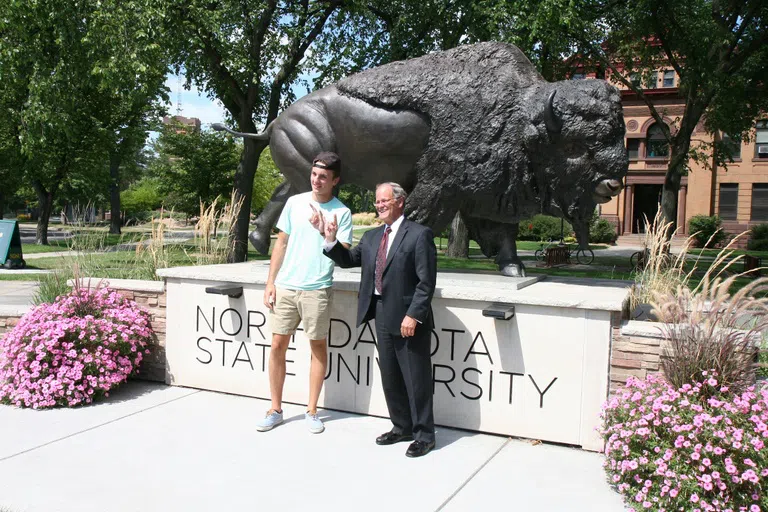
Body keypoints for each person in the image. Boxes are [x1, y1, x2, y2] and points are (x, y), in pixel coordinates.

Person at [318, 182, 438, 457]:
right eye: (377, 202)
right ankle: (401, 427)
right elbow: (348, 259)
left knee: (416, 377)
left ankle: (424, 435)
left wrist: (414, 316)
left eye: (384, 201)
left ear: (399, 202)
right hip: (380, 312)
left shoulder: (420, 235)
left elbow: (426, 282)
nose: (379, 205)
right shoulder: (372, 237)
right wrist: (330, 239)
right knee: (390, 376)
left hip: (408, 317)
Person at [256, 151, 353, 434]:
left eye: (323, 176)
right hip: (286, 287)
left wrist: (327, 234)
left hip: (317, 289)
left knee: (317, 347)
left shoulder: (342, 212)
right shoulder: (294, 203)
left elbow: (344, 255)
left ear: (335, 180)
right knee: (276, 346)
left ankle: (312, 411)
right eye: (314, 174)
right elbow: (281, 244)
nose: (317, 180)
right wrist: (270, 282)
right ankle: (275, 409)